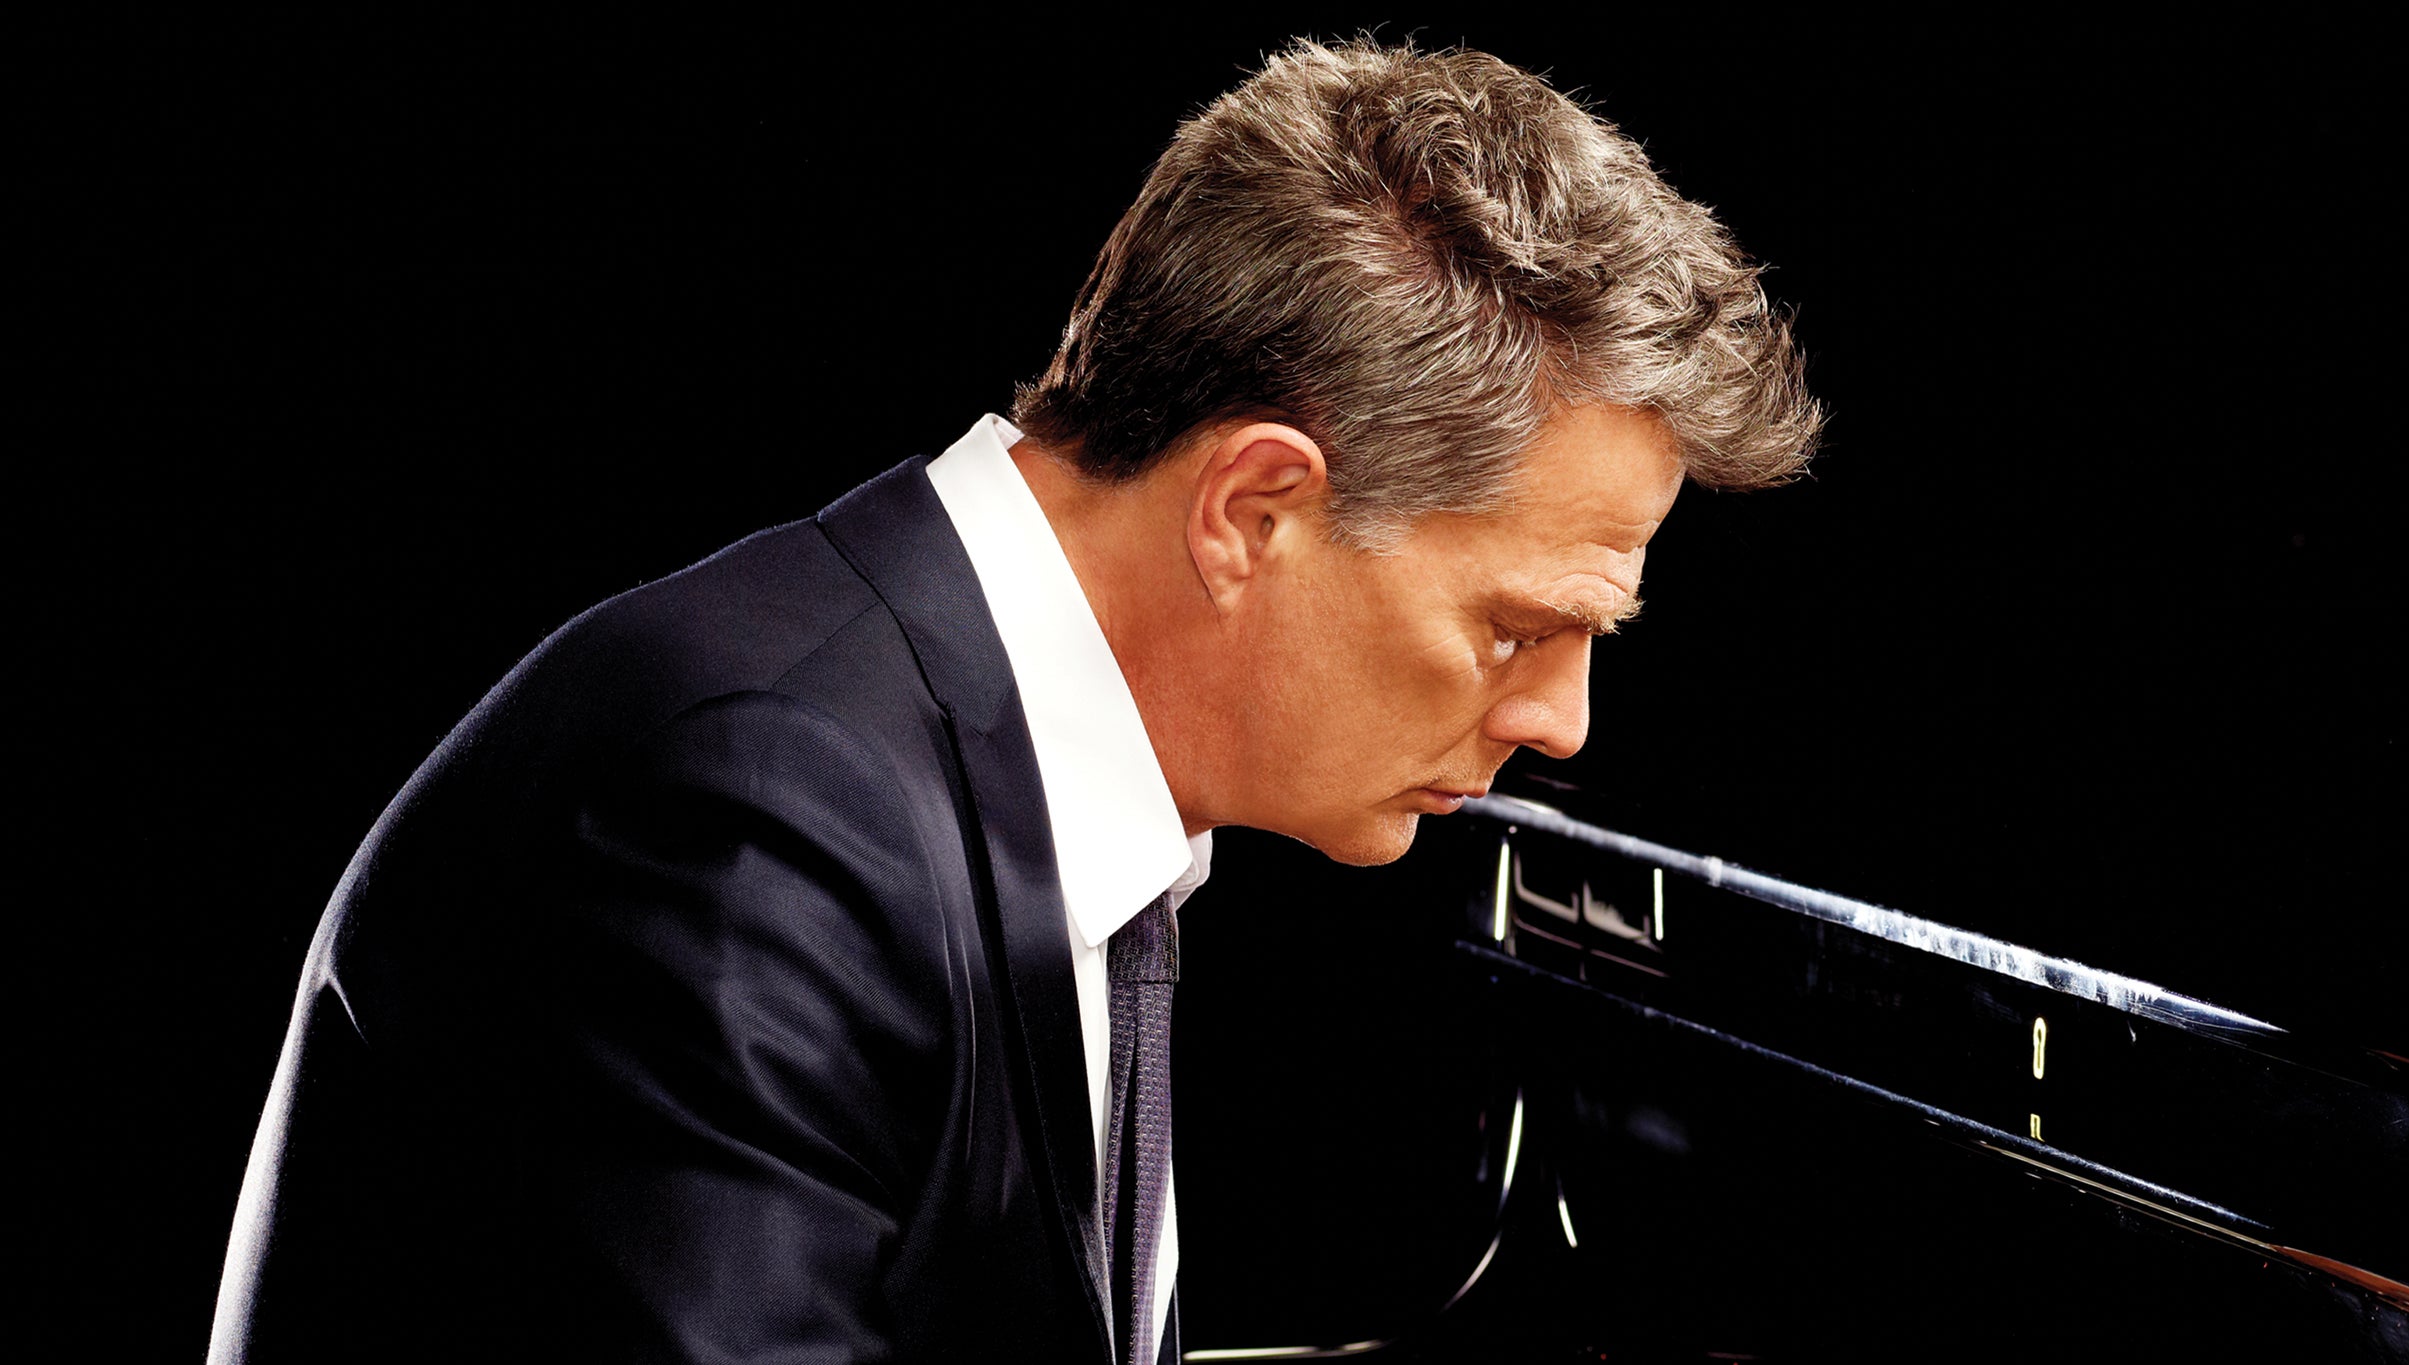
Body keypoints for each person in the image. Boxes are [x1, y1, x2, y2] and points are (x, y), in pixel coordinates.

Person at [208, 36, 1818, 1365]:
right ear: (1252, 510)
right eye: (1520, 627)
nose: (1562, 722)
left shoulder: (970, 773)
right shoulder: (752, 827)